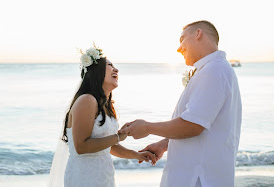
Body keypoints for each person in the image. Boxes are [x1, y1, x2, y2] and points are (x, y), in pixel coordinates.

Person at [120, 21, 242, 187]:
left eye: (182, 39)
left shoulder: (214, 71)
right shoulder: (213, 69)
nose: (179, 48)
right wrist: (164, 144)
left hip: (198, 179)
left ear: (198, 34)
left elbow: (193, 126)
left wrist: (147, 127)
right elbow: (203, 126)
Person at [49, 44, 156, 187]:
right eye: (110, 65)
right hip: (84, 177)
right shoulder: (86, 100)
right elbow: (81, 146)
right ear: (96, 72)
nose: (116, 69)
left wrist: (136, 155)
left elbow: (107, 146)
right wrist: (118, 137)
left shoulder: (105, 105)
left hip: (103, 176)